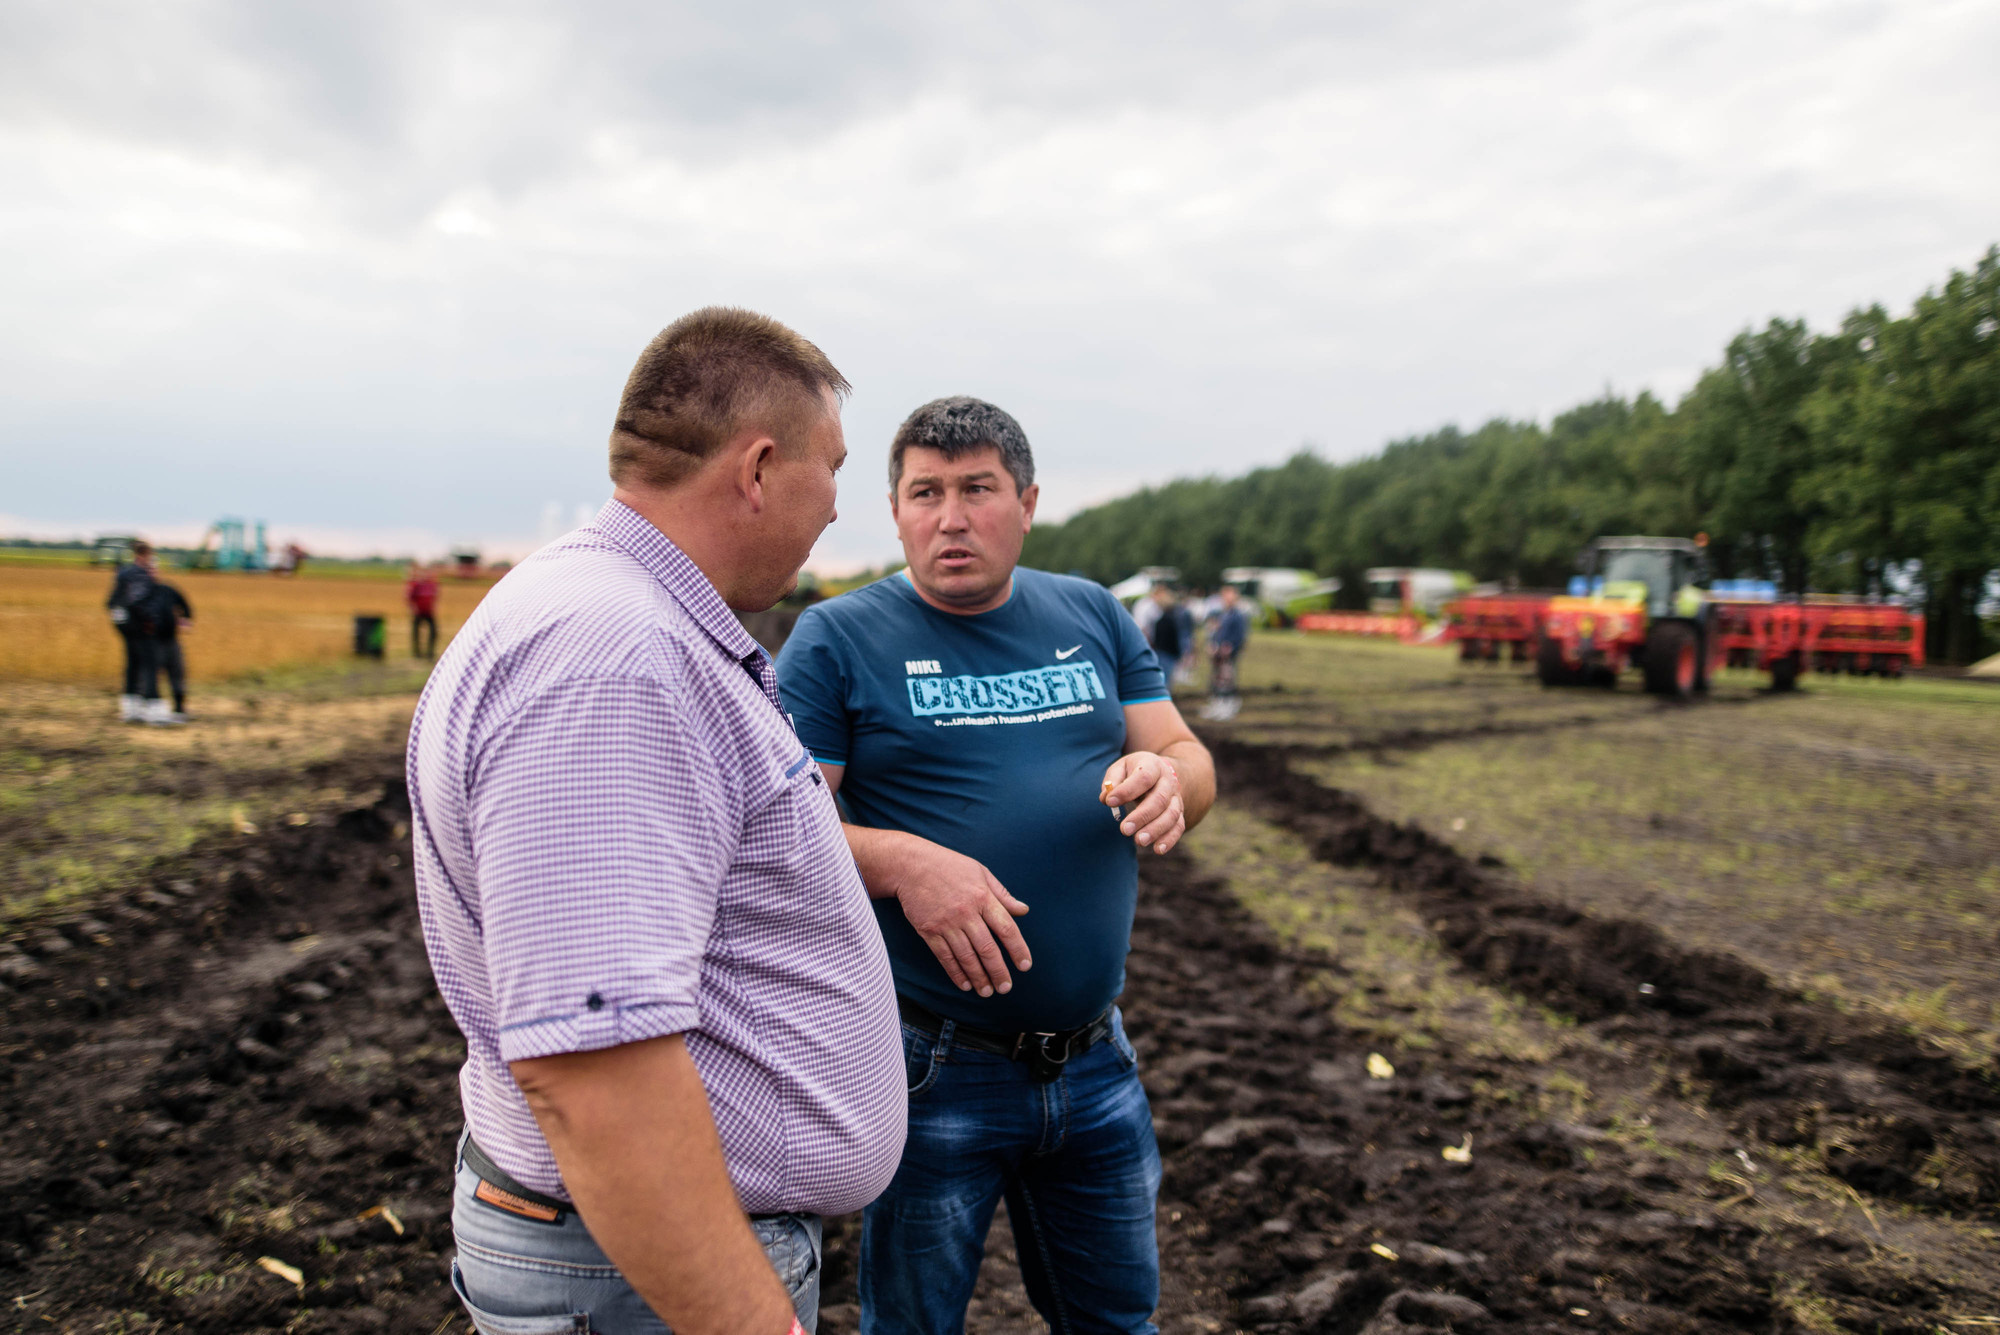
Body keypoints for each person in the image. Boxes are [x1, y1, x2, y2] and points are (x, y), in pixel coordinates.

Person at [407, 307, 906, 1335]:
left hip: (626, 1261)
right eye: (833, 471)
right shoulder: (614, 661)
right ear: (759, 468)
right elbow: (595, 1073)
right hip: (633, 1275)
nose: (832, 512)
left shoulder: (615, 616)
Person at [776, 396, 1217, 1335]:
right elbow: (775, 832)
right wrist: (899, 860)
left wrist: (1169, 777)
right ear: (895, 510)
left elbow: (1186, 751)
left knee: (1117, 1323)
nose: (951, 516)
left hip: (1097, 1060)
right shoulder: (837, 638)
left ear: (1026, 501)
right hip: (935, 1064)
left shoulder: (1090, 611)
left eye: (977, 488)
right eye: (925, 492)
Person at [106, 541, 157, 723]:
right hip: (137, 624)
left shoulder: (123, 572)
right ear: (144, 555)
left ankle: (129, 707)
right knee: (147, 663)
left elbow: (110, 601)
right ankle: (147, 706)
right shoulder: (140, 574)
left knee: (132, 663)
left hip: (122, 622)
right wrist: (150, 621)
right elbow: (138, 600)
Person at [136, 578, 193, 724]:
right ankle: (148, 709)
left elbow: (184, 603)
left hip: (171, 639)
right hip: (152, 641)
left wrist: (186, 618)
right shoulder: (140, 593)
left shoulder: (167, 590)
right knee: (150, 675)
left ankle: (179, 708)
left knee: (177, 673)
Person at [1202, 584, 1251, 721]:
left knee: (1227, 680)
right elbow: (1216, 632)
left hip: (1229, 655)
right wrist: (1212, 644)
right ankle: (1217, 704)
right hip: (1218, 654)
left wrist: (1231, 647)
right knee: (1217, 680)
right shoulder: (1222, 614)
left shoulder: (1238, 615)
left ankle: (1228, 707)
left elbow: (1240, 636)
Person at [1143, 583, 1187, 684]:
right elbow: (1174, 639)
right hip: (1167, 654)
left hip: (1161, 652)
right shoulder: (1169, 620)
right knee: (1166, 681)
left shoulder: (1161, 620)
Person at [405, 561, 441, 658]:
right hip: (418, 612)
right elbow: (409, 597)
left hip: (429, 612)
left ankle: (430, 652)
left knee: (434, 632)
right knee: (416, 633)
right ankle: (417, 652)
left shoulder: (432, 584)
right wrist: (413, 608)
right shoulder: (416, 584)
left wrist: (434, 607)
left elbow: (435, 597)